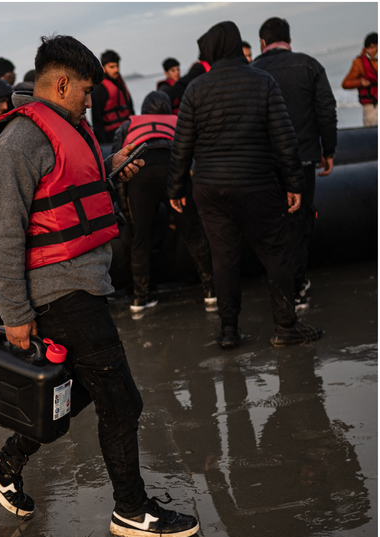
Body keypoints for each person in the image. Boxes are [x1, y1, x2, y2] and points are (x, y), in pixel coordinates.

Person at [0, 34, 200, 537]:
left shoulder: (63, 130)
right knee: (122, 401)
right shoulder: (17, 142)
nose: (89, 101)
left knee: (72, 394)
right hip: (60, 293)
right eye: (85, 92)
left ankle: (4, 468)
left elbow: (68, 192)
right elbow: (2, 237)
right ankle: (131, 509)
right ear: (59, 83)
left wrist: (113, 170)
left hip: (83, 283)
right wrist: (14, 316)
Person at [167, 21, 323, 348]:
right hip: (257, 184)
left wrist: (176, 190)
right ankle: (285, 326)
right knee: (277, 253)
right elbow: (284, 137)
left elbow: (181, 146)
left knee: (223, 258)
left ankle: (228, 331)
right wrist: (294, 182)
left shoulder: (196, 88)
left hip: (210, 190)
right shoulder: (263, 81)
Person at [251, 17, 338, 311]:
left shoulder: (254, 71)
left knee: (272, 225)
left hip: (266, 163)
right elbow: (326, 108)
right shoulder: (310, 65)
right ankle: (298, 286)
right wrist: (329, 149)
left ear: (262, 43)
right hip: (303, 158)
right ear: (289, 40)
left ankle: (280, 288)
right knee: (299, 221)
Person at [112, 91, 215, 314]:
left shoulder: (127, 126)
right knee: (193, 233)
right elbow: (194, 161)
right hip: (172, 170)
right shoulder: (178, 122)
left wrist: (127, 213)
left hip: (140, 172)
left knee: (140, 238)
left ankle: (140, 298)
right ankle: (211, 291)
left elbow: (117, 170)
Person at [91, 49, 133, 143]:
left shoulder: (120, 83)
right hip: (111, 138)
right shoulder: (99, 88)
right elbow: (97, 120)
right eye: (112, 67)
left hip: (128, 133)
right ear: (103, 68)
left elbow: (130, 108)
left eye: (117, 66)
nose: (116, 70)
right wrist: (104, 145)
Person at [341, 32, 378, 127]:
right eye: (368, 48)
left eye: (374, 47)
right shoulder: (359, 63)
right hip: (371, 108)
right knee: (372, 137)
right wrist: (360, 82)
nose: (371, 51)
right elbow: (345, 84)